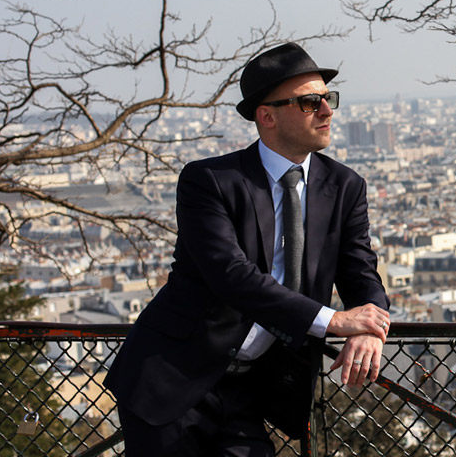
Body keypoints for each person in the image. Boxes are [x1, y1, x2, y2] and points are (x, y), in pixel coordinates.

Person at [105, 42, 391, 456]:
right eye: (311, 102)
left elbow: (361, 271)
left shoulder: (345, 187)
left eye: (328, 98)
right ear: (267, 116)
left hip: (249, 391)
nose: (327, 110)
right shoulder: (210, 181)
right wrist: (333, 322)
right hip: (172, 379)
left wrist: (371, 328)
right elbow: (231, 276)